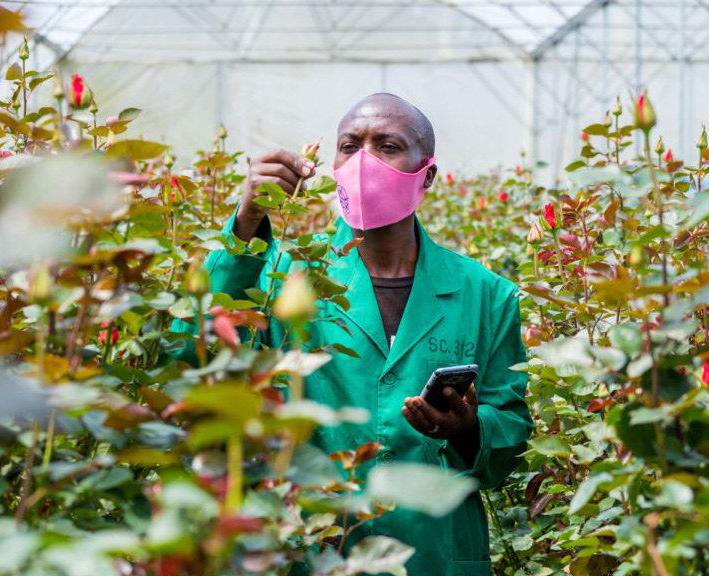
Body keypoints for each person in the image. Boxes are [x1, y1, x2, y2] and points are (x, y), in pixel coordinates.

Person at [175, 93, 533, 576]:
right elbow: (194, 355)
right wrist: (245, 226)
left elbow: (511, 433)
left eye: (387, 146)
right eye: (350, 146)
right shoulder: (282, 276)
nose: (364, 161)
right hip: (312, 545)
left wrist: (469, 428)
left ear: (426, 175)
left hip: (435, 552)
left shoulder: (486, 294)